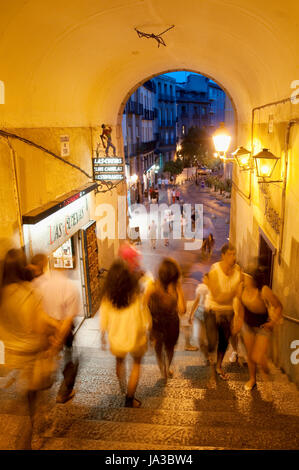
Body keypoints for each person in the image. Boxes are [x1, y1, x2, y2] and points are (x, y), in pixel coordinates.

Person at [0, 249, 60, 449]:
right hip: (30, 361)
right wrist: (55, 327)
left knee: (18, 411)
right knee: (29, 412)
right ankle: (31, 439)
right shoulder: (29, 292)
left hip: (10, 362)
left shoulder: (2, 295)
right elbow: (39, 326)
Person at [100, 259, 152, 407]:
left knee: (119, 361)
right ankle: (129, 398)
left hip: (117, 339)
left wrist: (103, 336)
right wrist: (148, 332)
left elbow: (104, 320)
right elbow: (144, 318)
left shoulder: (107, 299)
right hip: (135, 338)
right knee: (136, 364)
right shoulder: (136, 296)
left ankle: (122, 386)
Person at [31, 253, 80, 404]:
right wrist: (58, 339)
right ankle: (63, 393)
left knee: (46, 358)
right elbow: (67, 321)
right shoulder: (71, 289)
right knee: (68, 358)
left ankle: (40, 388)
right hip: (61, 330)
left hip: (45, 328)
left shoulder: (40, 285)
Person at [233, 266, 283, 391]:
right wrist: (238, 320)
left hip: (262, 325)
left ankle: (265, 368)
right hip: (248, 325)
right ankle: (252, 379)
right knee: (250, 355)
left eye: (246, 276)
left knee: (258, 357)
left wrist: (272, 323)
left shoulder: (264, 290)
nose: (243, 277)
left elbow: (278, 306)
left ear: (253, 279)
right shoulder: (241, 287)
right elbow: (240, 304)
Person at [204, 244, 242, 382]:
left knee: (224, 342)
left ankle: (218, 366)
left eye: (234, 254)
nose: (234, 257)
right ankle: (211, 363)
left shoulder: (238, 272)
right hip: (212, 310)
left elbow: (240, 295)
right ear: (223, 256)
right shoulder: (215, 270)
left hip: (228, 312)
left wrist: (237, 316)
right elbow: (217, 296)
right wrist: (234, 292)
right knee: (212, 341)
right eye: (231, 254)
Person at [147, 258, 186, 379]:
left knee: (169, 348)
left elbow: (182, 309)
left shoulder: (175, 287)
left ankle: (166, 366)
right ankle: (162, 368)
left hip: (171, 324)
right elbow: (144, 305)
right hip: (157, 323)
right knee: (159, 347)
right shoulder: (152, 286)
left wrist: (178, 290)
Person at [188, 279, 210, 357]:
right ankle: (206, 356)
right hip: (200, 313)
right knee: (199, 337)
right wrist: (190, 315)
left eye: (206, 278)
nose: (204, 280)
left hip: (211, 315)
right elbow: (196, 301)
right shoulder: (201, 289)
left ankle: (209, 356)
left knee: (209, 338)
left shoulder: (215, 289)